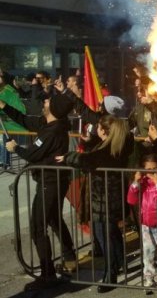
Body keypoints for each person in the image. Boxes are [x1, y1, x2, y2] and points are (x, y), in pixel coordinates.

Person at [1, 92, 77, 290]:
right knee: (53, 218)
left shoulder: (52, 131)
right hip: (52, 180)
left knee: (38, 226)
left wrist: (15, 148)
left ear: (54, 108)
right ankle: (69, 258)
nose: (44, 101)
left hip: (50, 182)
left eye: (48, 100)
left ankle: (47, 273)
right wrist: (4, 107)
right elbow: (26, 121)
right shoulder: (48, 123)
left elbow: (32, 153)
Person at [57, 114, 134, 293]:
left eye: (98, 127)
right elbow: (98, 153)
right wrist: (91, 141)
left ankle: (110, 273)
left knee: (104, 236)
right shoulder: (118, 144)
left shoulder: (110, 149)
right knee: (112, 233)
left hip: (104, 200)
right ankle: (121, 262)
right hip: (110, 199)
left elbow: (90, 159)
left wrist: (69, 157)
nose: (95, 129)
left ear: (104, 131)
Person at [127, 153, 157, 293]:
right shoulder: (143, 183)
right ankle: (149, 279)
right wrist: (135, 182)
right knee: (148, 253)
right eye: (148, 170)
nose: (152, 173)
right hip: (146, 224)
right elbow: (131, 200)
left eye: (155, 169)